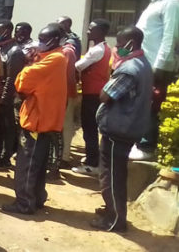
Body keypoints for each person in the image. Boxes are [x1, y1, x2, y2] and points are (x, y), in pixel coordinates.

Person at [90, 27, 153, 232]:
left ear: (130, 44)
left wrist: (112, 74)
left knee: (113, 175)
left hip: (120, 129)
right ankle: (111, 209)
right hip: (127, 126)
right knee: (113, 173)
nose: (116, 47)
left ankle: (116, 219)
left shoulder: (129, 69)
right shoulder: (143, 64)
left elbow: (105, 95)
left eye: (119, 43)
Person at [2, 24, 68, 215]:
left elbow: (24, 82)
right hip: (42, 119)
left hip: (37, 121)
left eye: (43, 39)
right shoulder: (55, 56)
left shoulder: (56, 58)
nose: (39, 44)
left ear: (54, 41)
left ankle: (24, 203)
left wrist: (26, 63)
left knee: (27, 164)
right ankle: (37, 198)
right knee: (37, 164)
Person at [131, 0, 179, 161]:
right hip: (143, 63)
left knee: (151, 104)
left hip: (156, 66)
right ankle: (138, 142)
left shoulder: (172, 3)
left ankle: (146, 146)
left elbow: (170, 37)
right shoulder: (154, 4)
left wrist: (161, 66)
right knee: (141, 104)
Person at [72, 19, 111, 176]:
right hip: (95, 92)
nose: (88, 31)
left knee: (89, 128)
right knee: (91, 128)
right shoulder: (102, 48)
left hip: (92, 94)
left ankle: (91, 163)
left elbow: (78, 66)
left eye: (91, 29)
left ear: (100, 32)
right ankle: (92, 157)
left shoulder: (97, 51)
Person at [0, 21, 26, 170]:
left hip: (8, 95)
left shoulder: (14, 51)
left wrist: (4, 99)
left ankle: (5, 157)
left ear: (7, 31)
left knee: (8, 127)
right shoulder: (1, 48)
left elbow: (12, 78)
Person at [48, 29, 78, 179]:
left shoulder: (66, 52)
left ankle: (62, 159)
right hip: (58, 96)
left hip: (65, 95)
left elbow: (67, 76)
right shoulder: (61, 51)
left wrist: (64, 97)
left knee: (63, 128)